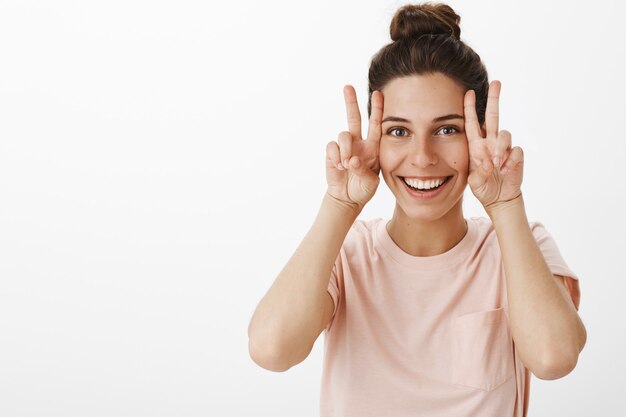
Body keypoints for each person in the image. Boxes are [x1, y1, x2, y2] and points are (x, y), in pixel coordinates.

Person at [248, 2, 586, 416]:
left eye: (447, 130)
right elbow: (270, 350)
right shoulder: (347, 253)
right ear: (377, 141)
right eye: (398, 131)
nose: (422, 157)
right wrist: (339, 204)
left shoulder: (522, 244)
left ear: (480, 135)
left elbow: (554, 358)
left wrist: (505, 203)